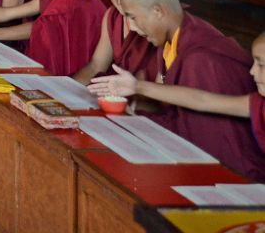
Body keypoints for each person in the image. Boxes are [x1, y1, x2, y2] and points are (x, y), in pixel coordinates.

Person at [89, 0, 265, 180]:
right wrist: (136, 93)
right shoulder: (175, 40)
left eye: (133, 18)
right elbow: (199, 101)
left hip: (236, 171)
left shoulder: (203, 60)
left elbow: (210, 141)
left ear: (158, 11)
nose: (133, 28)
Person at [89, 31, 265, 165]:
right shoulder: (258, 104)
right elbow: (201, 100)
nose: (252, 71)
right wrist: (137, 86)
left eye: (261, 65)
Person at [73, 0, 157, 85]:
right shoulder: (112, 16)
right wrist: (69, 89)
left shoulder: (158, 18)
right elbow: (96, 66)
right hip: (119, 93)